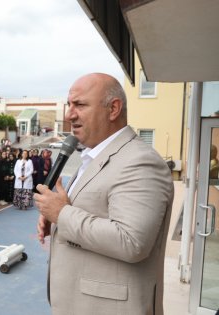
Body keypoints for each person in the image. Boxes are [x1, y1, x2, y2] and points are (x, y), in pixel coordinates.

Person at [34, 73, 174, 315]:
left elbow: (132, 242)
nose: (69, 114)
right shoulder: (92, 157)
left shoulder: (139, 161)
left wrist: (63, 215)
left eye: (80, 104)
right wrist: (58, 221)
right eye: (69, 105)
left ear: (113, 109)